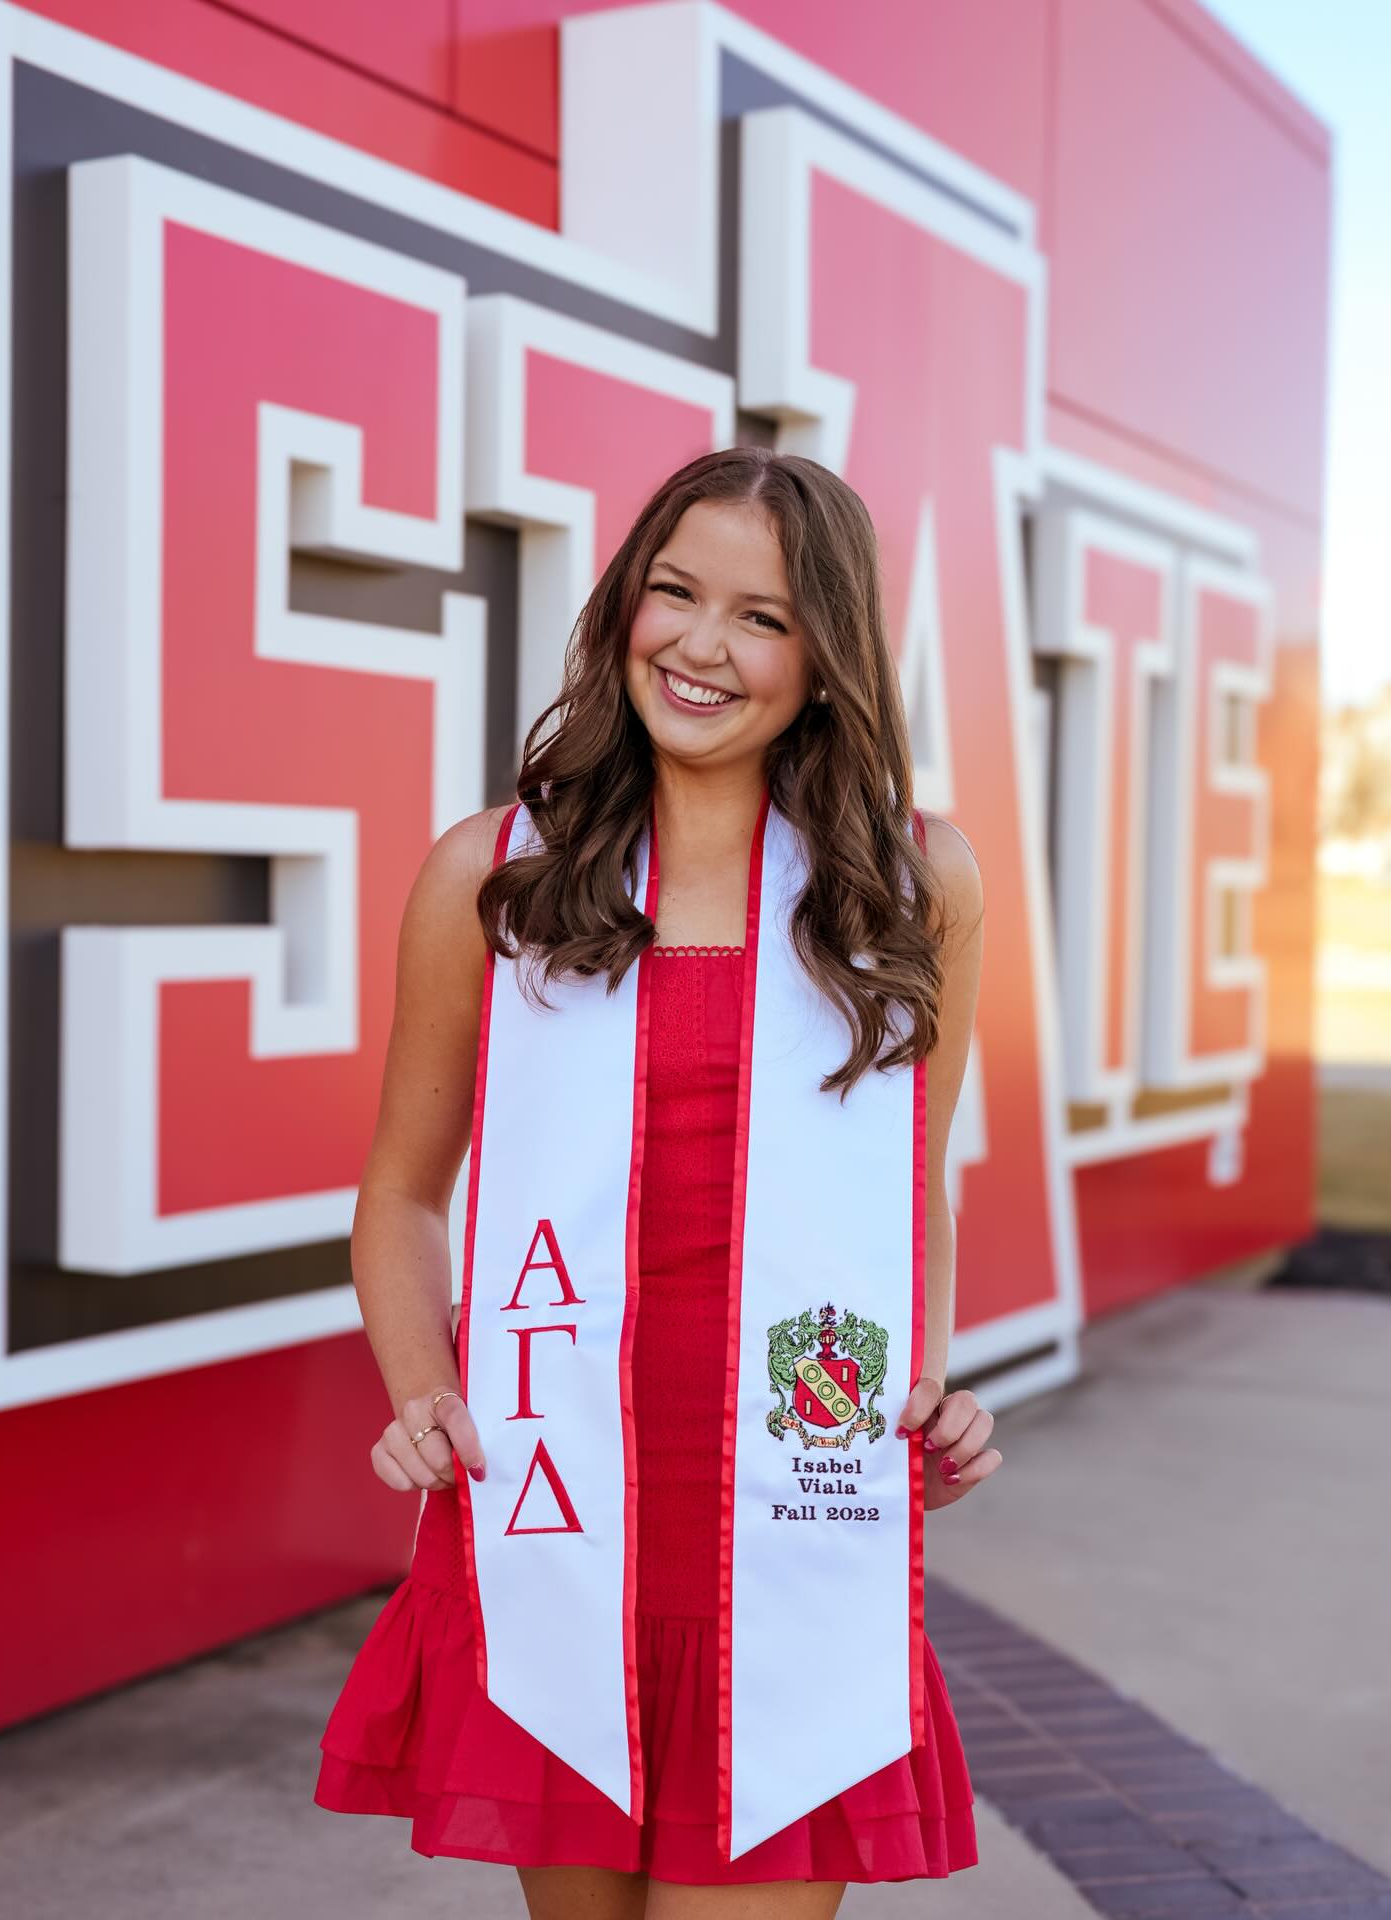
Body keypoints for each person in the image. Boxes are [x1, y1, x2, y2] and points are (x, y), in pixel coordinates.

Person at [314, 445, 1001, 1918]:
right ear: (623, 600)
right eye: (672, 592)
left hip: (793, 1527)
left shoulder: (911, 886)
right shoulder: (495, 878)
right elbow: (403, 1195)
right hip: (559, 1519)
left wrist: (923, 1383)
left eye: (759, 616)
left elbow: (908, 1192)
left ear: (827, 660)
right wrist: (419, 1384)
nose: (699, 644)